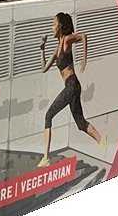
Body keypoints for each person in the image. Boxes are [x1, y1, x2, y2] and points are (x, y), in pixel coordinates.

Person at [38, 12, 103, 167]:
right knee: (80, 123)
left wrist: (84, 59)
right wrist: (42, 49)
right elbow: (43, 68)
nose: (52, 27)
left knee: (48, 115)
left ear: (60, 26)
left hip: (72, 85)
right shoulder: (57, 49)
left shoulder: (67, 40)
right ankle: (103, 142)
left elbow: (83, 36)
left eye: (54, 24)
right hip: (72, 86)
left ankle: (45, 158)